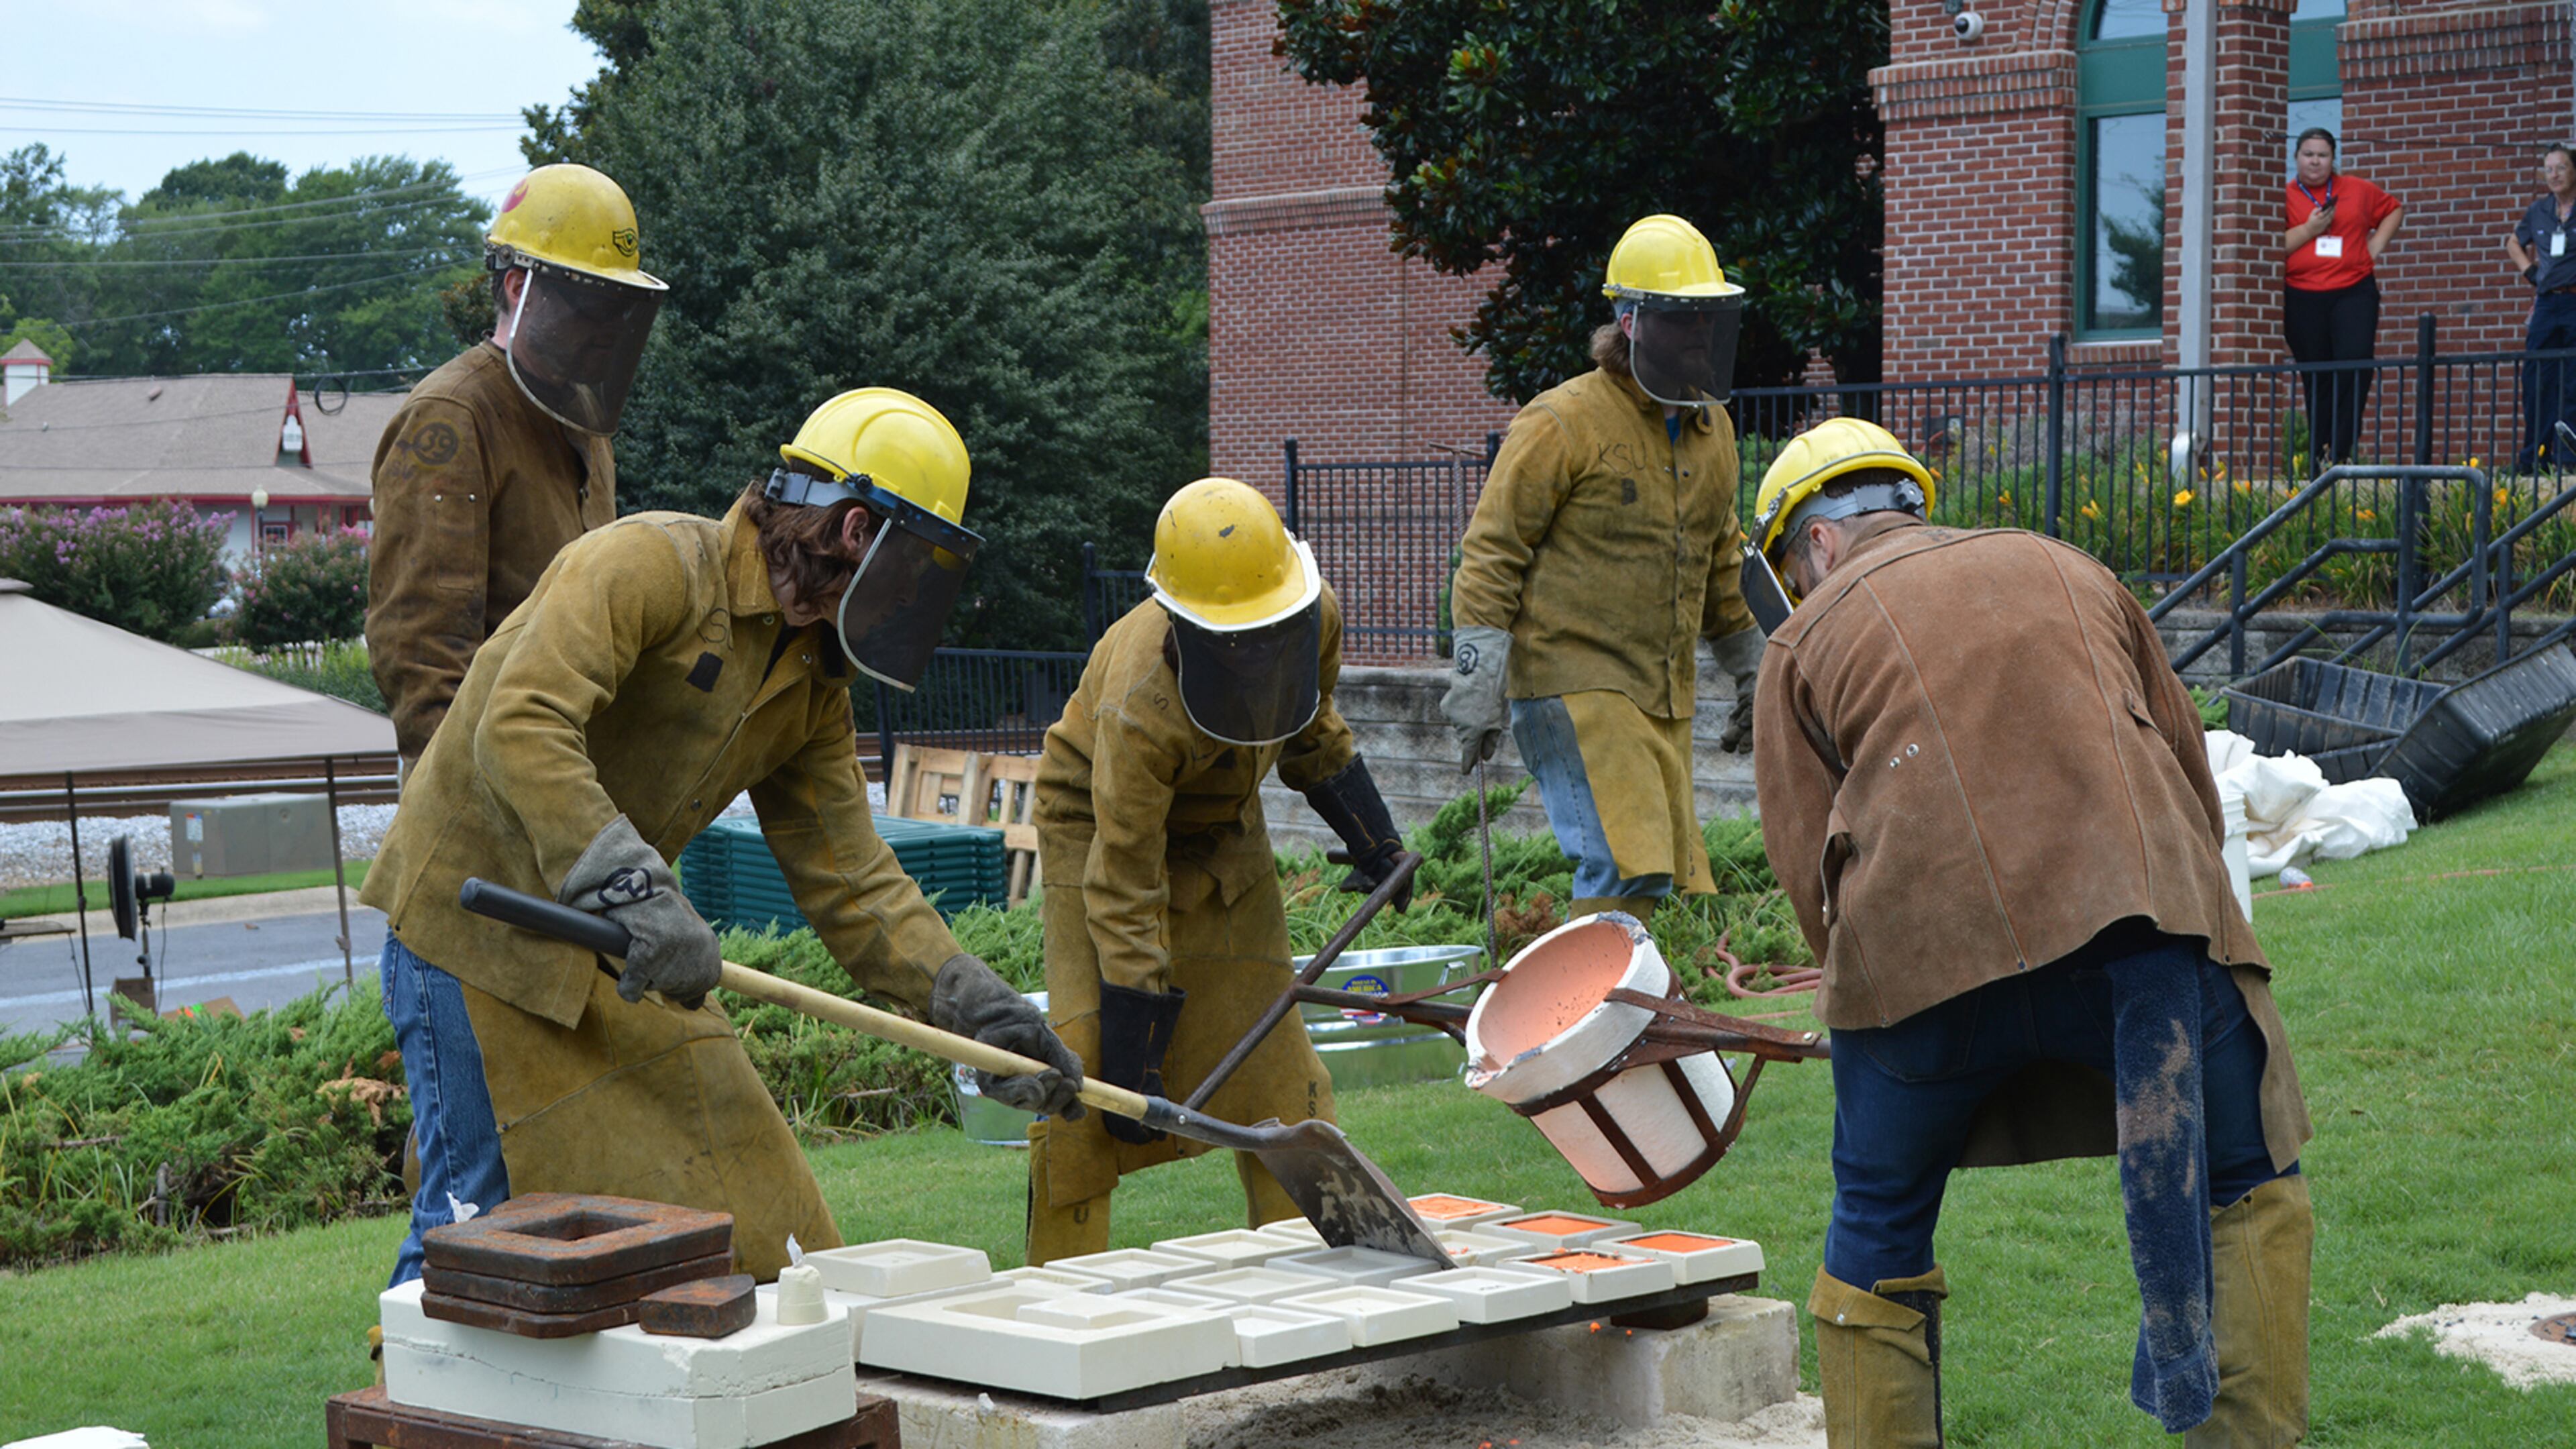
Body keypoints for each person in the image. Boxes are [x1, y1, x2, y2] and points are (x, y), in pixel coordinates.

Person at [360, 388, 1083, 1285]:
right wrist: (636, 888)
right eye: (918, 566)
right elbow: (522, 724)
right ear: (857, 531)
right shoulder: (649, 565)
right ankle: (397, 1421)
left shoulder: (813, 682)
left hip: (606, 949)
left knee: (764, 1225)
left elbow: (849, 878)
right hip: (470, 931)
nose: (916, 598)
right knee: (477, 1221)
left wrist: (968, 1003)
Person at [1745, 419, 2314, 1448]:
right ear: (1905, 503)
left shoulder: (1804, 635)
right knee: (2247, 1174)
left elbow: (1804, 871)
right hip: (2146, 937)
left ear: (1817, 544)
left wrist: (1858, 997)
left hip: (1918, 977)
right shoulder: (2064, 563)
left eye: (1793, 567)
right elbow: (2191, 773)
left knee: (1877, 1218)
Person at [1025, 478, 1409, 1263]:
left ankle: (1306, 1274)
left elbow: (1309, 723)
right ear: (1183, 626)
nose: (1261, 654)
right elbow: (1126, 881)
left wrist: (1374, 837)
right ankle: (1056, 1297)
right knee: (1086, 1086)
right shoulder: (1140, 699)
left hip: (1226, 829)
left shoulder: (1316, 615)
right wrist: (1138, 1062)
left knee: (1279, 1075)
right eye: (1237, 643)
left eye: (1275, 634)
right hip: (1095, 832)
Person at [1441, 213, 1766, 924]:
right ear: (1631, 322)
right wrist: (1475, 679)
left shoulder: (1714, 433)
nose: (1701, 336)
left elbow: (1722, 568)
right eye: (1684, 318)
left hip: (1661, 693)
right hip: (1573, 680)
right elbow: (1492, 551)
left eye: (1710, 317)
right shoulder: (1562, 422)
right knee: (1623, 861)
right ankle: (1597, 1020)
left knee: (1650, 875)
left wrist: (1757, 672)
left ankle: (1617, 1015)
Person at [367, 163, 667, 768]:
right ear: (517, 287)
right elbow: (421, 648)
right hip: (484, 783)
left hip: (571, 767)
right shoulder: (452, 417)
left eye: (618, 304)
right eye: (590, 301)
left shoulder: (580, 412)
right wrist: (464, 792)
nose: (607, 327)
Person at [2282, 128, 2402, 469]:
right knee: (2317, 375)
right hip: (2302, 295)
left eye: (2322, 155)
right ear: (2297, 158)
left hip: (2353, 289)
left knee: (2355, 362)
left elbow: (2393, 209)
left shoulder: (2358, 189)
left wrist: (2375, 247)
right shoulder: (2285, 197)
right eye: (2308, 154)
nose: (2315, 161)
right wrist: (2309, 230)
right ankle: (2320, 454)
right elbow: (2273, 247)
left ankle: (2341, 449)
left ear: (2333, 159)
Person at [2507, 142, 2576, 473]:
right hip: (2548, 303)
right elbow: (2513, 242)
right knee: (2537, 379)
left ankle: (2569, 458)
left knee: (2574, 380)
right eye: (2549, 169)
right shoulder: (2539, 211)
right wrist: (2530, 272)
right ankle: (2535, 457)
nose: (2554, 175)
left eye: (2561, 168)